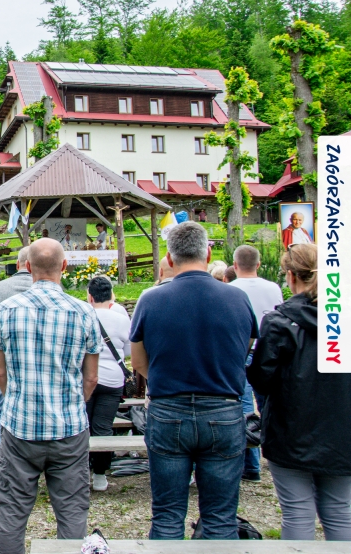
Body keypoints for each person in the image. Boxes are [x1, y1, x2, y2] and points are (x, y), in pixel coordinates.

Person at [130, 222, 257, 540]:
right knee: (220, 517)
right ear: (208, 254)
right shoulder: (237, 298)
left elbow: (138, 361)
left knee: (167, 515)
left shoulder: (150, 299)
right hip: (224, 408)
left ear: (169, 259)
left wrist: (165, 377)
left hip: (168, 408)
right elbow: (245, 349)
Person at [0, 239, 100, 550]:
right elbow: (91, 377)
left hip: (20, 426)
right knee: (72, 509)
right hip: (69, 427)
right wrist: (74, 403)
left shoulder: (7, 310)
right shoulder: (83, 311)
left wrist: (15, 400)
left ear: (27, 267)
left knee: (12, 511)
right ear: (64, 266)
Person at [248, 244, 351, 541]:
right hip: (342, 430)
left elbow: (262, 379)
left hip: (290, 429)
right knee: (340, 510)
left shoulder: (279, 322)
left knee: (297, 511)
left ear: (291, 276)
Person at [231, 244, 283, 483]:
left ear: (235, 265)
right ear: (259, 265)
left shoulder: (231, 289)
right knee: (270, 405)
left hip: (242, 350)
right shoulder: (273, 288)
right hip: (270, 350)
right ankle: (275, 457)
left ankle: (250, 465)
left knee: (244, 407)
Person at [0, 246, 31, 482]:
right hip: (33, 358)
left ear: (19, 264)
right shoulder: (48, 287)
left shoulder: (1, 288)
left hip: (4, 356)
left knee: (1, 410)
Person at [84, 276, 131, 492]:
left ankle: (81, 470)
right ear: (111, 295)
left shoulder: (83, 317)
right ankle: (100, 475)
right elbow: (127, 351)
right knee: (103, 427)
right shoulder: (121, 319)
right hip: (113, 379)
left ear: (90, 297)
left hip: (86, 377)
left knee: (83, 426)